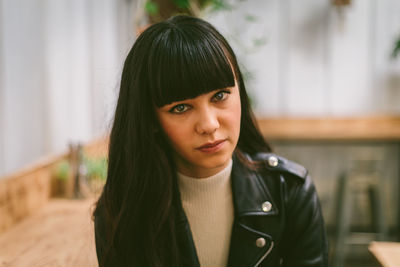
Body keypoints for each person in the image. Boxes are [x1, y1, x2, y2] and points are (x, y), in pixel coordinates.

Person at [93, 15, 328, 267]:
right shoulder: (123, 209)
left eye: (220, 95)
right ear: (150, 120)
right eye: (181, 108)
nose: (209, 124)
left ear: (240, 92)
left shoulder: (290, 191)